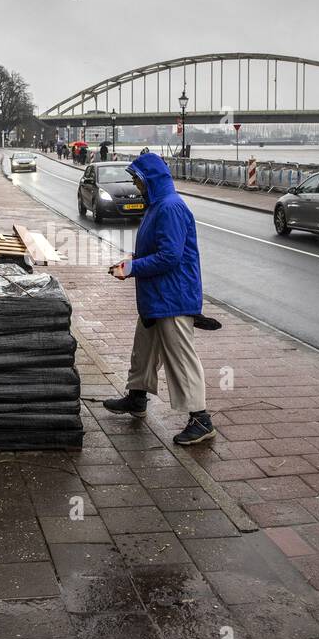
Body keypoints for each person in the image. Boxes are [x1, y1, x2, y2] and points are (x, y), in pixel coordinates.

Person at [103, 153, 215, 445]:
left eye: (137, 179)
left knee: (180, 359)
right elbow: (159, 250)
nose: (134, 184)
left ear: (150, 179)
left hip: (173, 297)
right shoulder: (159, 204)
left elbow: (170, 256)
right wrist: (132, 260)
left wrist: (132, 268)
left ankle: (201, 419)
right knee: (144, 352)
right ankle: (137, 397)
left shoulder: (170, 208)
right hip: (158, 296)